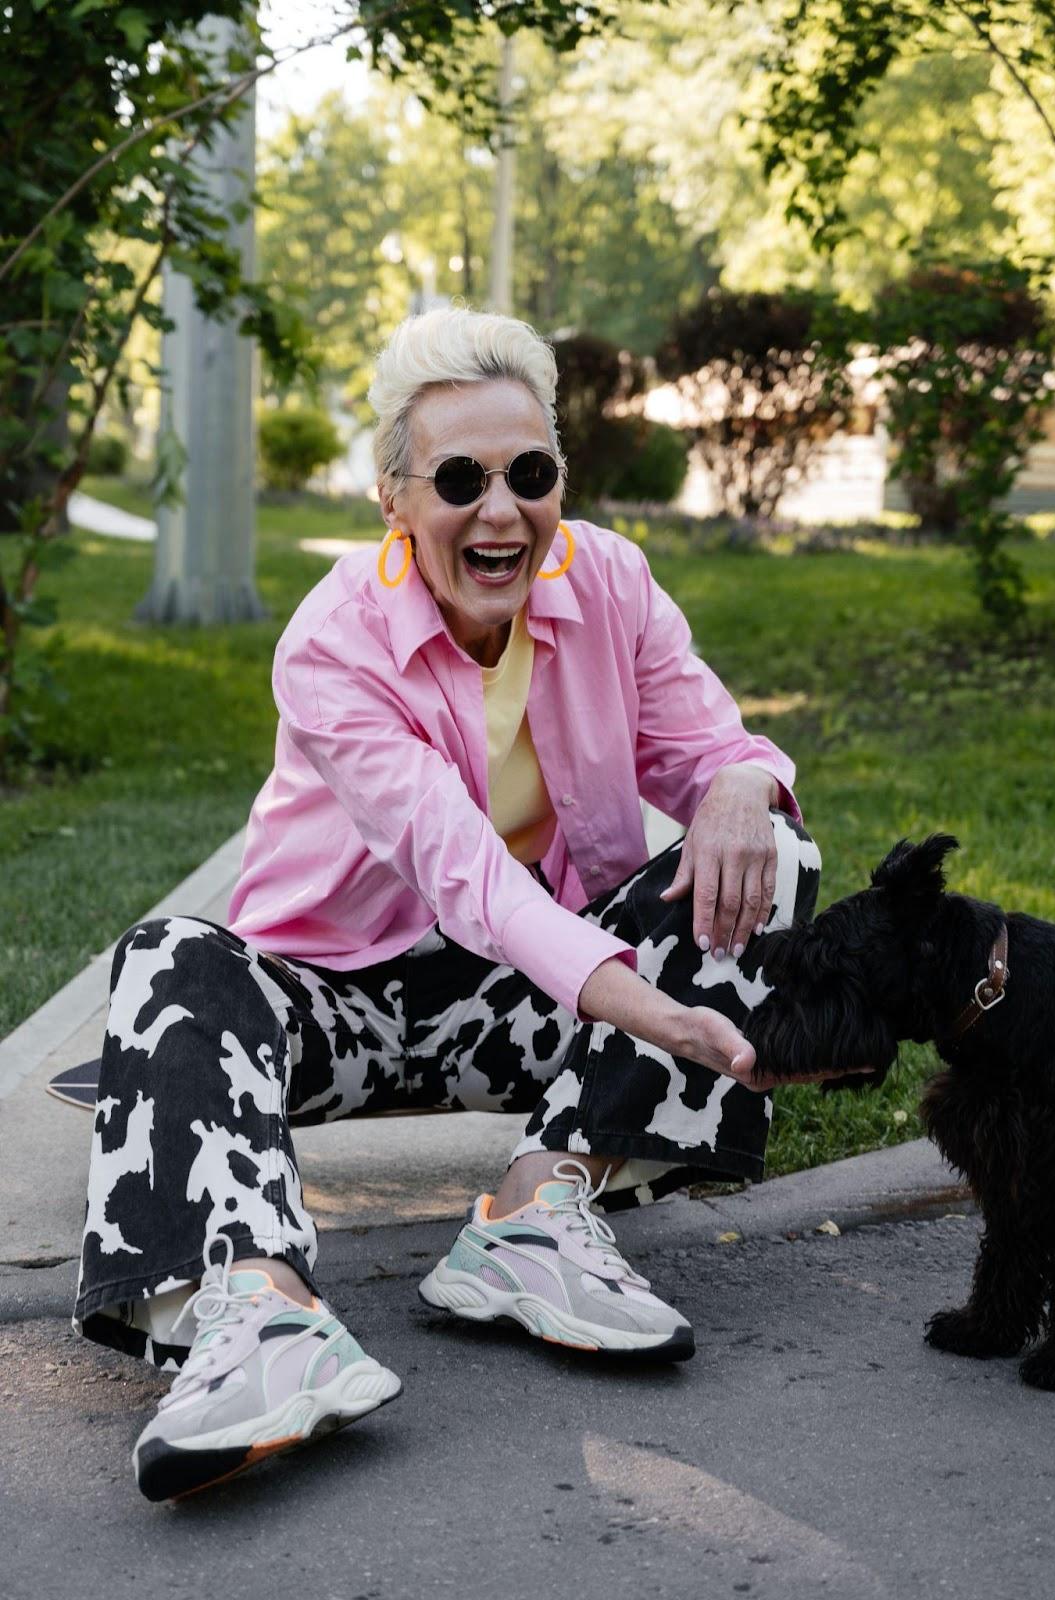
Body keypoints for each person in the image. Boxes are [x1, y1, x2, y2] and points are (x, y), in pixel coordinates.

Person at [73, 306, 848, 1504]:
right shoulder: (335, 641)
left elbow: (712, 747)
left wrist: (748, 779)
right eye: (458, 478)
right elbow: (462, 872)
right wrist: (647, 1008)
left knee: (770, 850)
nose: (501, 510)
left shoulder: (611, 580)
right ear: (395, 498)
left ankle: (537, 1220)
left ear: (560, 480)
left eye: (528, 473)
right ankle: (259, 1323)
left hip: (512, 1002)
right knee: (169, 959)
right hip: (333, 1001)